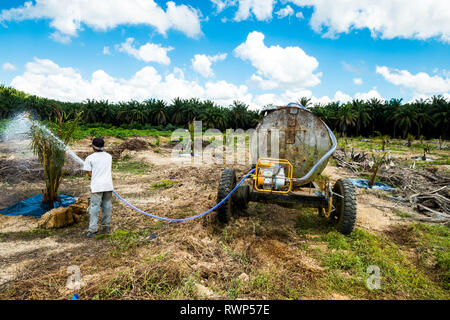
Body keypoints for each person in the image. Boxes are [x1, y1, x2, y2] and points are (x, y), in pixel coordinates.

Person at [82, 137, 114, 238]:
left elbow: (89, 173)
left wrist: (96, 176)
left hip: (97, 187)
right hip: (108, 185)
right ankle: (105, 227)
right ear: (103, 146)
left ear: (92, 146)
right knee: (107, 206)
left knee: (94, 207)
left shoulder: (90, 158)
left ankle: (92, 230)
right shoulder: (109, 156)